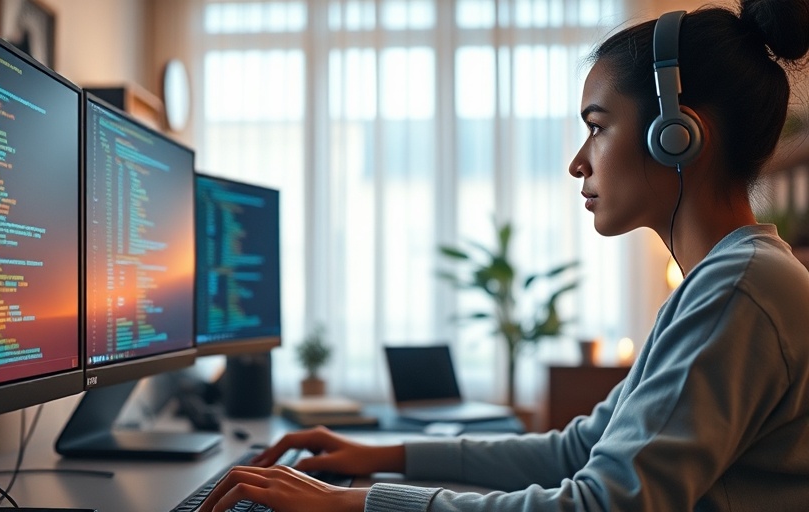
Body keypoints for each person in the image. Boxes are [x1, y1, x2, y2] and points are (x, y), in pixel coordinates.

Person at [200, 0, 809, 510]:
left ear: (676, 135)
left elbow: (600, 504)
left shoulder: (741, 290)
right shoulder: (724, 283)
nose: (578, 161)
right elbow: (578, 451)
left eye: (597, 126)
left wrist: (352, 501)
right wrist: (385, 456)